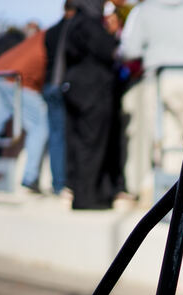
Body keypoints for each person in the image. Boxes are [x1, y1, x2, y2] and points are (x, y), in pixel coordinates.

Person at [119, 0, 183, 174]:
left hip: (160, 80)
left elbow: (130, 50)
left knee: (166, 141)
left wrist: (154, 50)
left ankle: (172, 192)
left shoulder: (146, 10)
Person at [0, 23, 49, 193]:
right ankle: (30, 178)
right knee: (40, 125)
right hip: (16, 79)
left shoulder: (26, 42)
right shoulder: (46, 38)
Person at [63, 0, 119, 209]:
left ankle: (87, 194)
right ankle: (87, 197)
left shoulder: (74, 22)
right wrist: (112, 34)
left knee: (81, 143)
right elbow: (107, 51)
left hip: (78, 88)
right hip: (92, 91)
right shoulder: (89, 23)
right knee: (91, 143)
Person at [43, 3, 76, 196]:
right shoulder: (72, 28)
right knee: (63, 134)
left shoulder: (51, 31)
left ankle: (57, 183)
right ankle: (62, 182)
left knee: (55, 135)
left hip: (48, 85)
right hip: (62, 84)